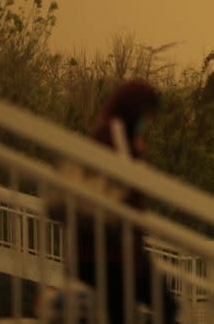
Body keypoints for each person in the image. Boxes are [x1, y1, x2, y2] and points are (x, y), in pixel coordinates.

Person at [50, 79, 178, 323]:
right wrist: (138, 155)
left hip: (117, 252)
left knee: (139, 311)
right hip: (110, 254)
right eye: (146, 115)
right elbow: (127, 181)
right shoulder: (113, 131)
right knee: (162, 307)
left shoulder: (112, 131)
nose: (147, 123)